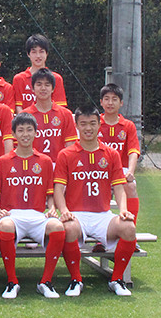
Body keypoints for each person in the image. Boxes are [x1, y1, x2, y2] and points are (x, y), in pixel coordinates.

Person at [54, 105, 136, 296]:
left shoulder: (111, 154)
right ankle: (76, 280)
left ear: (100, 125)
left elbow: (119, 187)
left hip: (103, 215)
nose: (88, 128)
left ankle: (117, 279)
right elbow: (58, 190)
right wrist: (64, 210)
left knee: (129, 228)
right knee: (68, 228)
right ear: (76, 126)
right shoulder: (66, 154)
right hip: (77, 215)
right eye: (83, 124)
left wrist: (123, 210)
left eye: (92, 123)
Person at [0, 113, 65, 299]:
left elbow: (50, 194)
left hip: (36, 215)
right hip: (12, 215)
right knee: (6, 226)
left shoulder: (45, 161)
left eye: (29, 130)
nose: (25, 134)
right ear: (13, 134)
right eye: (20, 130)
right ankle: (12, 282)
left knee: (57, 227)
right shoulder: (3, 162)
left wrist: (52, 208)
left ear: (35, 133)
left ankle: (45, 282)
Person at [98, 83, 140, 223]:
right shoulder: (94, 123)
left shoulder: (128, 125)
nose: (110, 103)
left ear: (121, 103)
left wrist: (131, 172)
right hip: (98, 169)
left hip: (121, 169)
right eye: (107, 99)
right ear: (101, 102)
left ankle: (130, 227)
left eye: (114, 99)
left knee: (131, 186)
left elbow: (133, 151)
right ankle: (99, 231)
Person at [21, 68, 77, 163]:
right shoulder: (24, 116)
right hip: (33, 166)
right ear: (33, 88)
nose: (43, 88)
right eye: (39, 84)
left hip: (59, 165)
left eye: (47, 85)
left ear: (53, 89)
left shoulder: (65, 114)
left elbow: (70, 145)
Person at [13, 34, 67, 113]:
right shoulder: (19, 79)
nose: (38, 56)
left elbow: (60, 108)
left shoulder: (56, 78)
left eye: (41, 51)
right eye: (34, 52)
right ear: (28, 54)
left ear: (47, 53)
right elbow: (18, 107)